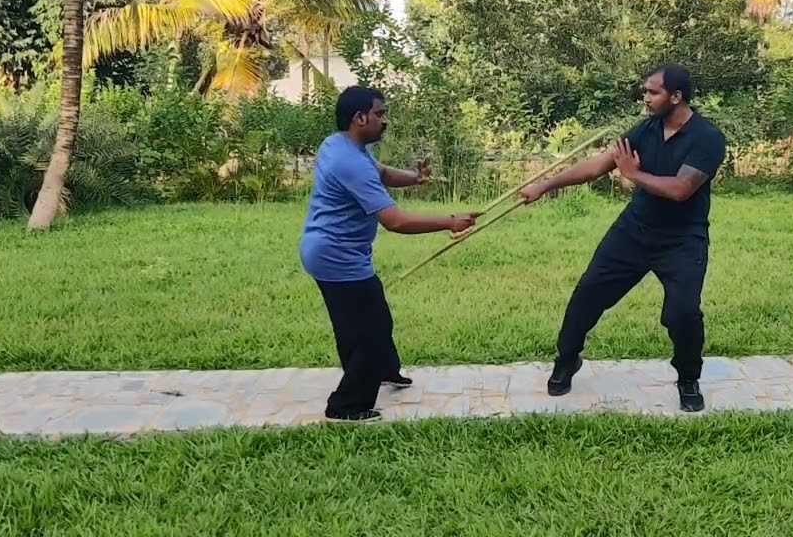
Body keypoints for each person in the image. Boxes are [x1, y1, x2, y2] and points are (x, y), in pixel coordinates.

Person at [518, 64, 726, 412]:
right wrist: (544, 185)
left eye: (653, 92)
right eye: (645, 91)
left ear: (676, 97)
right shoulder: (646, 129)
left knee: (683, 313)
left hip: (682, 240)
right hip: (634, 230)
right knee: (588, 293)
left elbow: (681, 190)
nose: (645, 98)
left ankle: (688, 379)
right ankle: (567, 359)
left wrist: (634, 174)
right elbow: (599, 165)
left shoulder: (707, 137)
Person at [301, 86, 480, 422]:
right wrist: (449, 222)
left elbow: (380, 173)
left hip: (327, 251)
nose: (385, 121)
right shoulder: (348, 161)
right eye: (380, 114)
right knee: (369, 328)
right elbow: (395, 221)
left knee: (361, 322)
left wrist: (414, 178)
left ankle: (384, 370)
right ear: (360, 118)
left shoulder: (340, 145)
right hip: (337, 257)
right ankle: (347, 405)